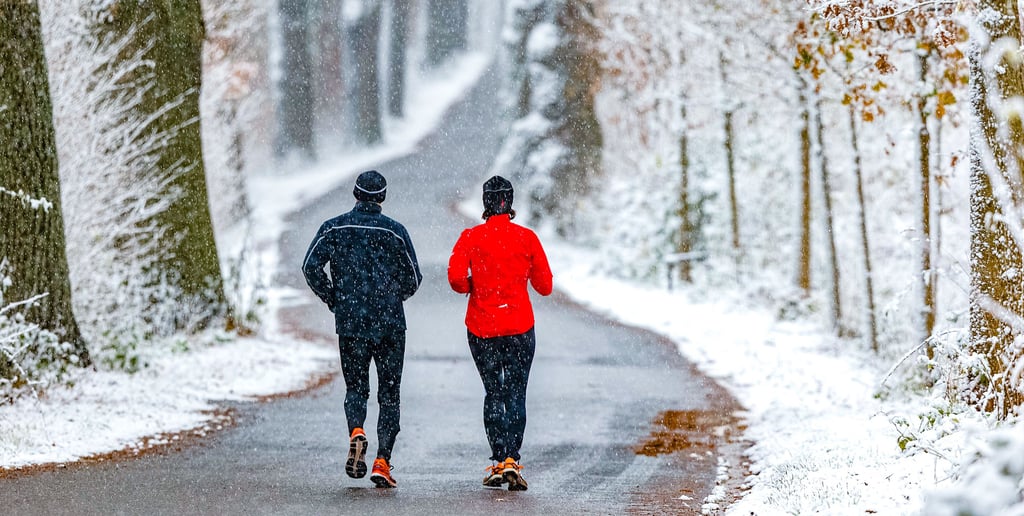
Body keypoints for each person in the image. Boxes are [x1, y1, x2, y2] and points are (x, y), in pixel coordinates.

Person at [302, 170, 422, 488]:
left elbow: (310, 266)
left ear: (355, 194)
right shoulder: (395, 232)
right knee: (390, 395)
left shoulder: (335, 227)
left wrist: (334, 299)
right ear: (382, 197)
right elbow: (414, 277)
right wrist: (395, 297)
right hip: (390, 324)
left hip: (351, 322)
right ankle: (382, 462)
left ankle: (357, 431)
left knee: (356, 389)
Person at [447, 175, 553, 491]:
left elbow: (454, 278)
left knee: (494, 391)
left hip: (482, 328)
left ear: (485, 203)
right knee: (516, 393)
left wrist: (472, 286)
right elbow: (545, 287)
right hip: (520, 326)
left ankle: (496, 460)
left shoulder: (470, 236)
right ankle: (512, 459)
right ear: (510, 201)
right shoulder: (527, 238)